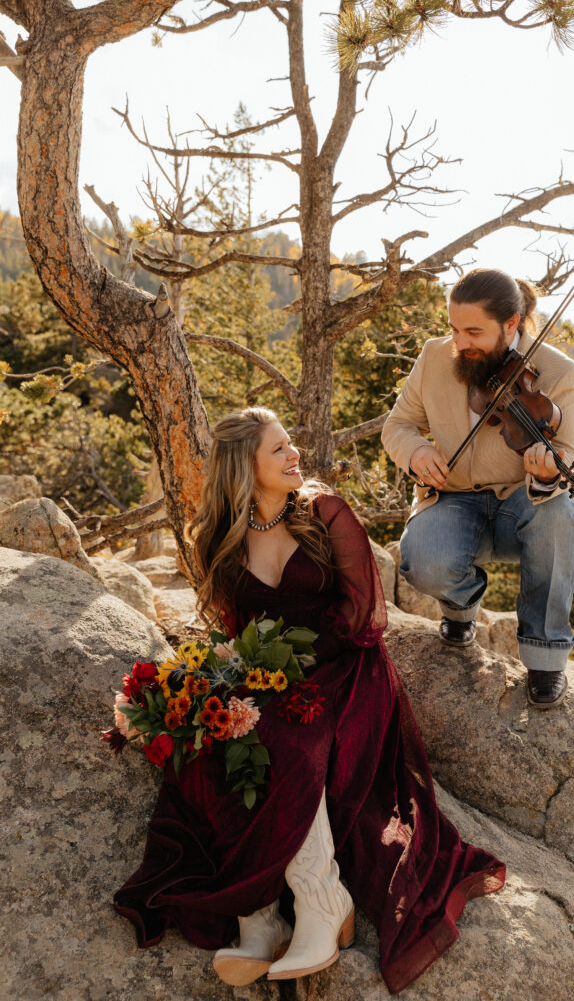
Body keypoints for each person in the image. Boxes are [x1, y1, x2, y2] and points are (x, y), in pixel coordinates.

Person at [113, 407, 506, 995]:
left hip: (347, 667)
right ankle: (261, 918)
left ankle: (322, 901)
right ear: (245, 466)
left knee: (287, 743)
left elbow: (362, 614)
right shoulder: (217, 537)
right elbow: (232, 629)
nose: (294, 454)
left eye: (291, 444)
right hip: (270, 677)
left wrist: (287, 668)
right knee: (212, 745)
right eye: (279, 449)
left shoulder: (324, 513)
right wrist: (213, 683)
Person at [381, 268, 574, 709]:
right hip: (453, 497)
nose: (461, 342)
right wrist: (416, 451)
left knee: (563, 513)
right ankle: (460, 610)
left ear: (511, 323)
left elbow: (567, 452)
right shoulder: (435, 356)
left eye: (474, 331)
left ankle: (545, 659)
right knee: (422, 563)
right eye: (454, 329)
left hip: (522, 506)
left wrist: (551, 471)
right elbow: (398, 425)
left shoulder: (559, 372)